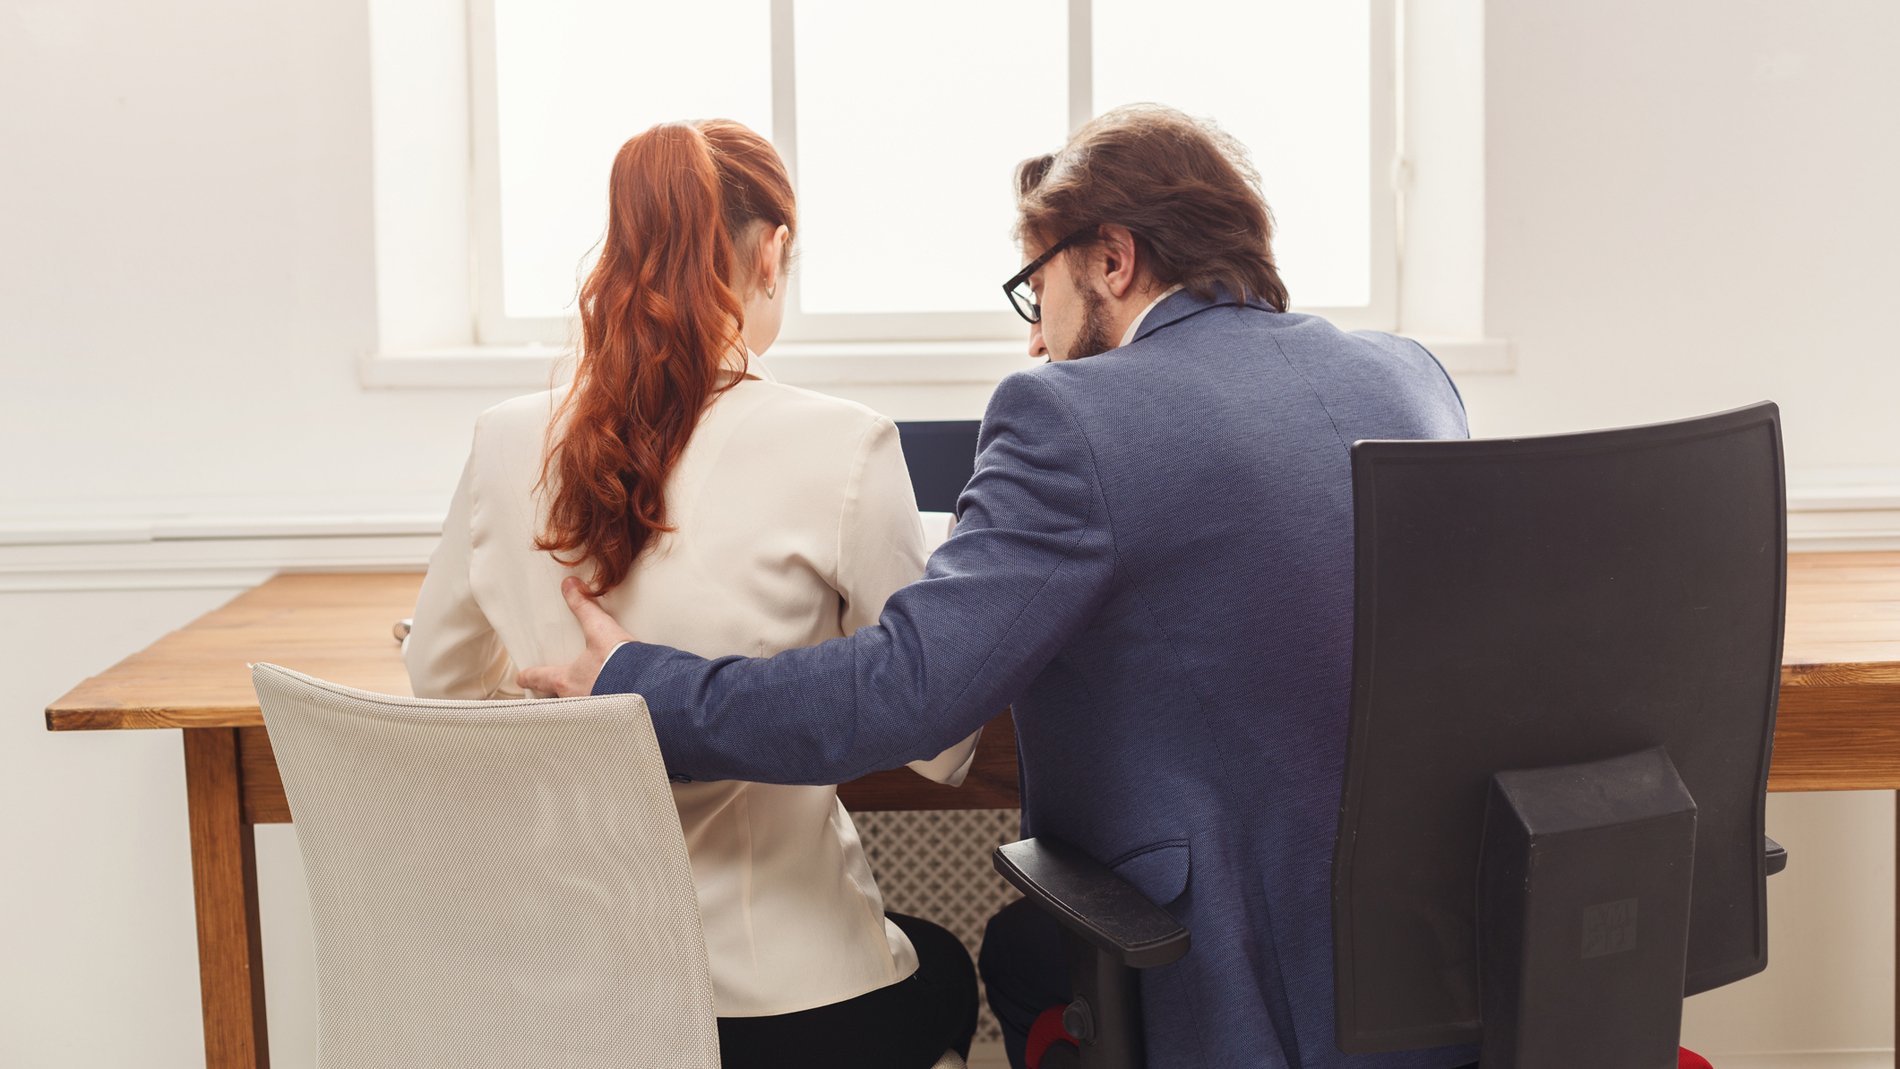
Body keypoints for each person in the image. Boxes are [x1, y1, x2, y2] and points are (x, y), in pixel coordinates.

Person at [518, 105, 1476, 1069]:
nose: (1035, 342)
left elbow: (910, 692)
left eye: (1037, 289)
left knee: (1023, 953)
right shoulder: (1410, 378)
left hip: (1232, 981)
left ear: (1112, 259)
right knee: (1027, 952)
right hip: (1441, 970)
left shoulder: (1077, 414)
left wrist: (645, 687)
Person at [402, 119, 979, 1069]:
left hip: (582, 1004)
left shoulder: (505, 438)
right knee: (950, 970)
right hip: (788, 1006)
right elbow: (941, 741)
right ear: (772, 253)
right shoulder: (847, 445)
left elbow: (439, 684)